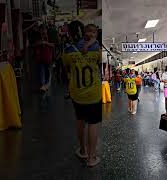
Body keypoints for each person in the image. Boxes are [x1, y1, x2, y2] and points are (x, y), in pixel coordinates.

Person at [62, 21, 102, 167]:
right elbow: (98, 62)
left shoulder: (67, 50)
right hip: (93, 93)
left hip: (77, 93)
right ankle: (91, 158)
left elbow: (65, 67)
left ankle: (83, 150)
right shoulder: (96, 49)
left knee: (80, 120)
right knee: (93, 123)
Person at [32, 25, 54, 92]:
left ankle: (47, 85)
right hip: (40, 58)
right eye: (41, 30)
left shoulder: (49, 36)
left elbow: (53, 45)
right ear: (39, 30)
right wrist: (39, 43)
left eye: (44, 29)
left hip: (48, 57)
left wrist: (45, 43)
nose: (43, 31)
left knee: (47, 71)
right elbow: (33, 45)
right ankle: (42, 85)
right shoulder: (37, 37)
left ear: (46, 30)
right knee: (41, 71)